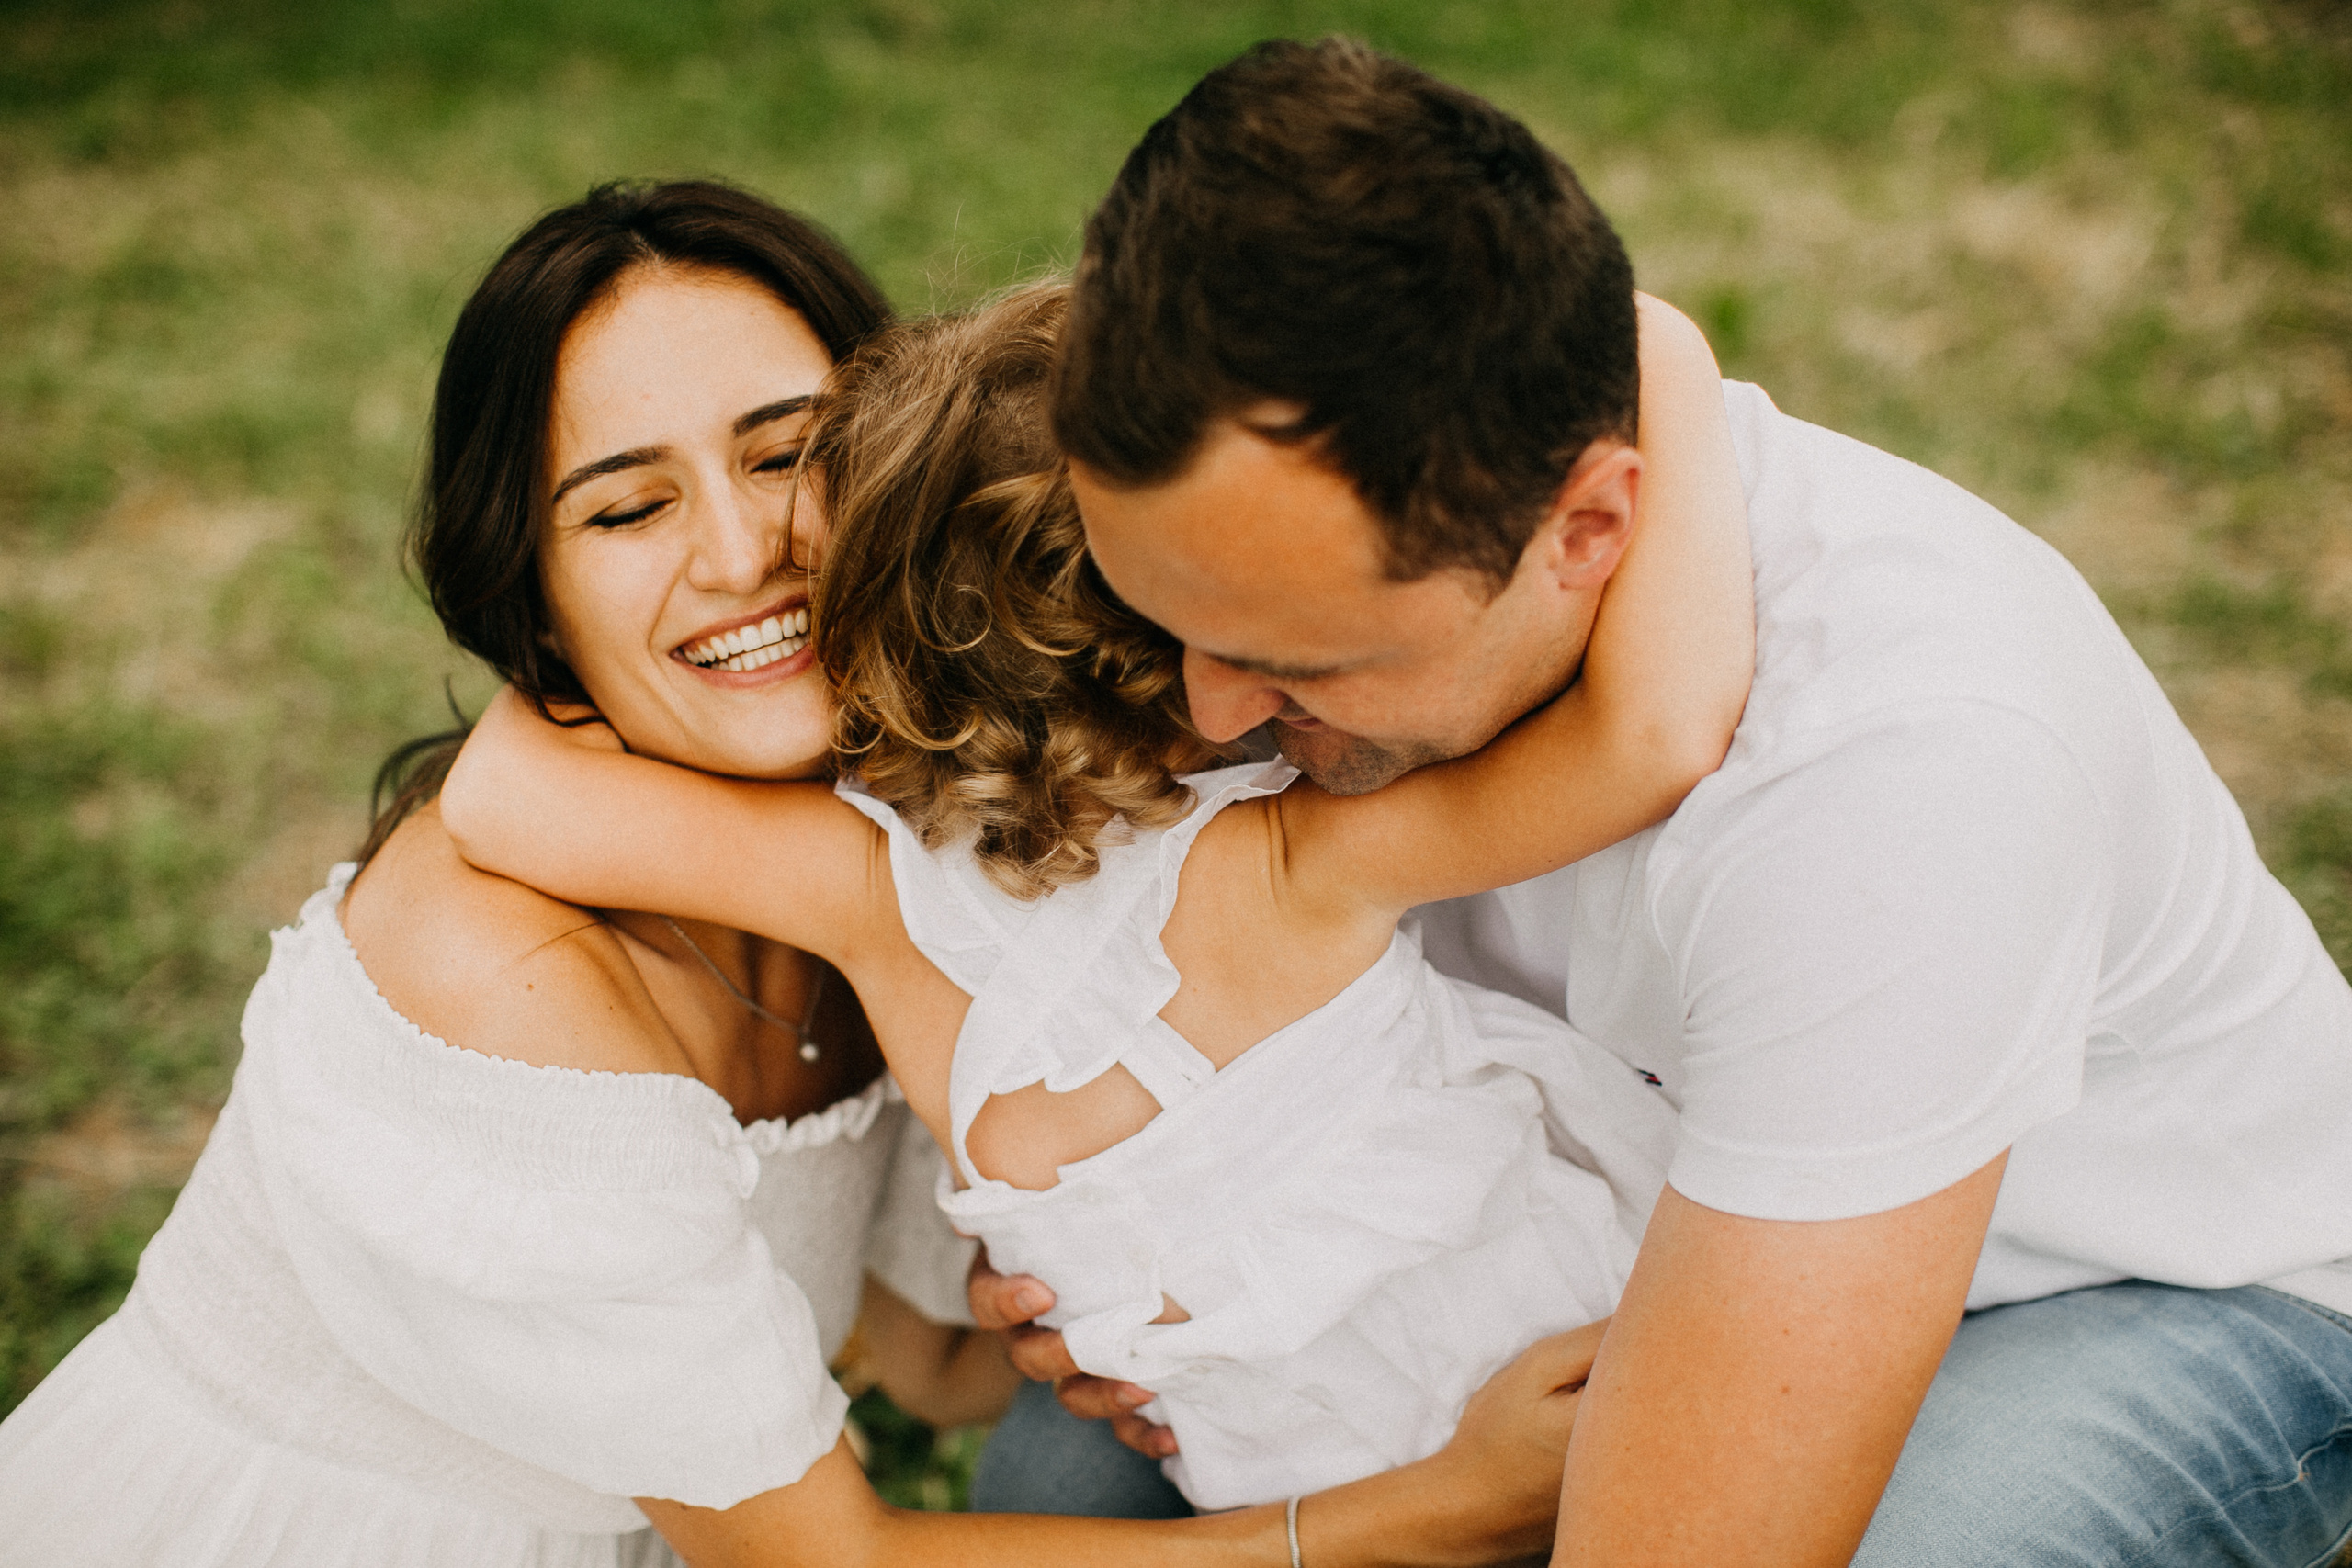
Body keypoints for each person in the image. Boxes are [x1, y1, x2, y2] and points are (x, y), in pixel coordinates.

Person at [0, 180, 1601, 1568]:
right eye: (627, 508)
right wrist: (1430, 1512)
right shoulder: (504, 997)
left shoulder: (919, 839)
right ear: (532, 598)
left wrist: (1086, 1299)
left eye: (791, 455)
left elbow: (919, 1353)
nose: (742, 552)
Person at [973, 36, 2352, 1567]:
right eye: (1167, 617)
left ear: (1589, 525)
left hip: (2125, 1282)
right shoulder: (1261, 556)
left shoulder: (1907, 773)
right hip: (1594, 1199)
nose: (1209, 712)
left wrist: (1452, 1499)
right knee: (1071, 1481)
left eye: (1299, 661)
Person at [435, 274, 1747, 1524]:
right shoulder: (1303, 860)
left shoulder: (864, 895)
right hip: (1597, 1361)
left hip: (1290, 1483)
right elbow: (1653, 738)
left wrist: (627, 607)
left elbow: (497, 794)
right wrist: (1659, 352)